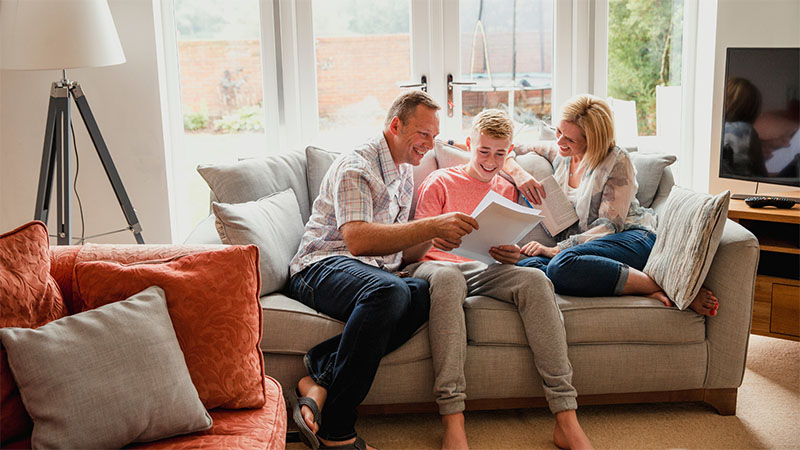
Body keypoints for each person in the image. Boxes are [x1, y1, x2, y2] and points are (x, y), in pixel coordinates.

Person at [287, 90, 479, 450]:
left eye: (434, 137)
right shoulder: (357, 166)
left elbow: (403, 251)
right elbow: (357, 239)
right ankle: (337, 431)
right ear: (395, 125)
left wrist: (438, 238)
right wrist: (432, 225)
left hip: (371, 273)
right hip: (319, 267)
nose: (429, 145)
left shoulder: (405, 171)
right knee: (390, 291)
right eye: (423, 134)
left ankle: (321, 378)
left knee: (422, 293)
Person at [405, 109, 593, 450]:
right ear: (469, 145)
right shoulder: (440, 182)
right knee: (449, 280)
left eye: (500, 153)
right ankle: (453, 419)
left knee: (535, 279)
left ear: (509, 153)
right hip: (435, 266)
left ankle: (566, 418)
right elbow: (412, 251)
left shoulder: (505, 189)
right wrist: (434, 237)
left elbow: (501, 244)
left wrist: (512, 253)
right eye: (483, 151)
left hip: (484, 269)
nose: (490, 161)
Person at [505, 94, 719, 316]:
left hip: (630, 238)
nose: (560, 141)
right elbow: (509, 148)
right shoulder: (560, 152)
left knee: (561, 265)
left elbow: (609, 226)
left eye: (570, 139)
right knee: (526, 267)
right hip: (586, 250)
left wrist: (557, 248)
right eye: (558, 132)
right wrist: (517, 173)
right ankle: (634, 288)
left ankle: (669, 286)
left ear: (591, 140)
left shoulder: (617, 160)